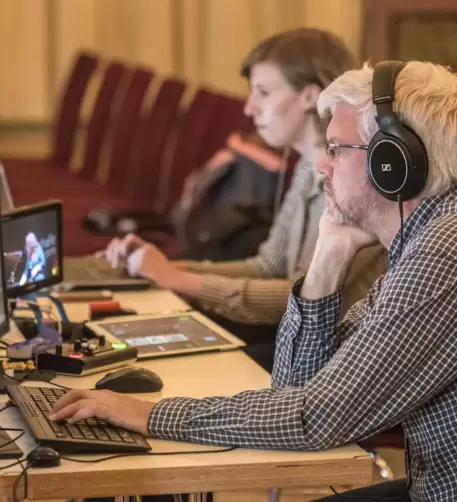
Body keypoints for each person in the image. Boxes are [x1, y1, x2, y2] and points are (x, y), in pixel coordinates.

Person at [51, 60, 457, 501]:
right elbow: (296, 386)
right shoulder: (422, 240)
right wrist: (329, 252)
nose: (322, 165)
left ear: (393, 165)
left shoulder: (441, 254)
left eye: (337, 148)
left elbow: (315, 418)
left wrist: (150, 415)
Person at [100, 28, 386, 328]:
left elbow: (301, 297)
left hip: (325, 348)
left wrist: (178, 279)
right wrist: (157, 266)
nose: (249, 108)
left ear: (309, 96)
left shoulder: (354, 180)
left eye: (263, 92)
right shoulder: (306, 165)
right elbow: (267, 267)